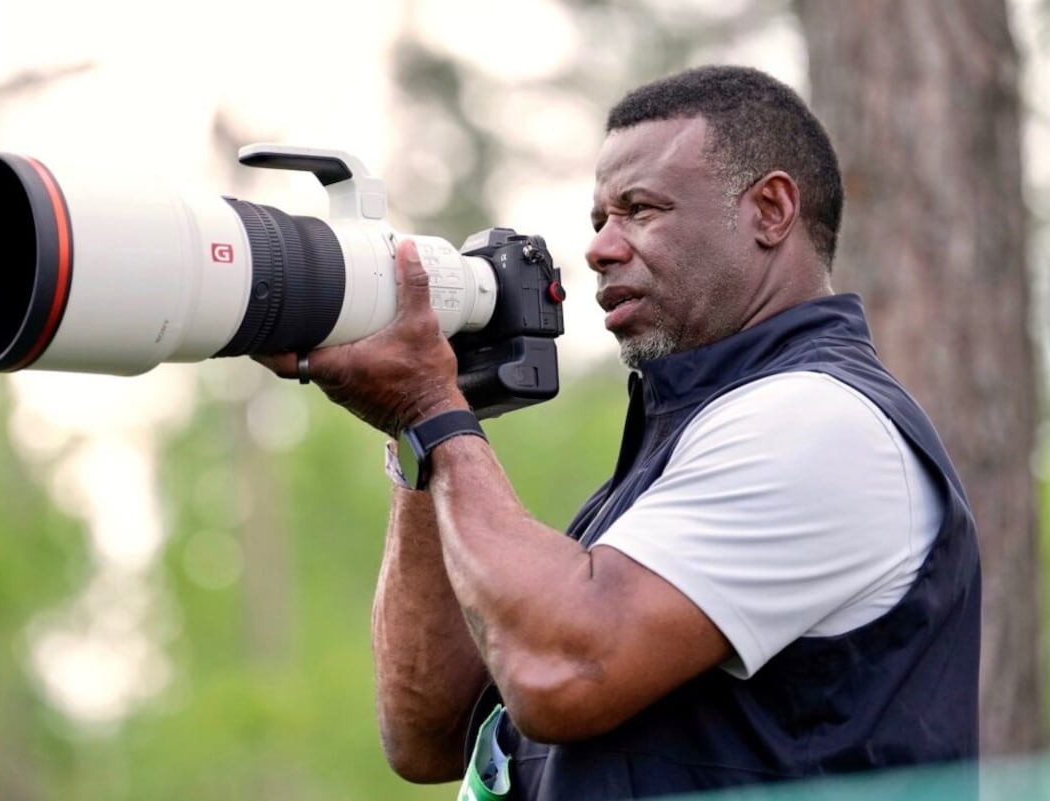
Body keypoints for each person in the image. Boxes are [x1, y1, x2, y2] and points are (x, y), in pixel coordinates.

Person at [259, 65, 981, 800]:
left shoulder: (822, 423)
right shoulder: (683, 445)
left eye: (639, 210)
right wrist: (422, 433)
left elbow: (559, 670)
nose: (601, 248)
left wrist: (428, 405)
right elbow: (428, 730)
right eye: (598, 219)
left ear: (770, 209)